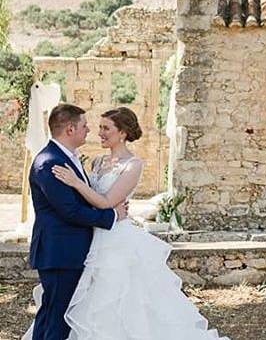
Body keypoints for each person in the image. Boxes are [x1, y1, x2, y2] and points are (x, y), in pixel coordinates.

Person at [23, 106, 229, 340]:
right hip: (82, 243)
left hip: (112, 242)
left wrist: (82, 187)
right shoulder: (89, 162)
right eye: (92, 126)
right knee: (64, 311)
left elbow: (106, 201)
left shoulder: (132, 165)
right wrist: (110, 213)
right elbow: (75, 208)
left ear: (122, 133)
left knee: (113, 303)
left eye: (105, 128)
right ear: (70, 129)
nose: (96, 131)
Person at [23, 104, 127, 340]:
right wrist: (112, 216)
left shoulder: (67, 158)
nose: (89, 130)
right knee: (59, 319)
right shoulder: (50, 162)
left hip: (67, 251)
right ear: (70, 129)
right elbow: (70, 211)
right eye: (84, 126)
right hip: (61, 252)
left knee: (51, 314)